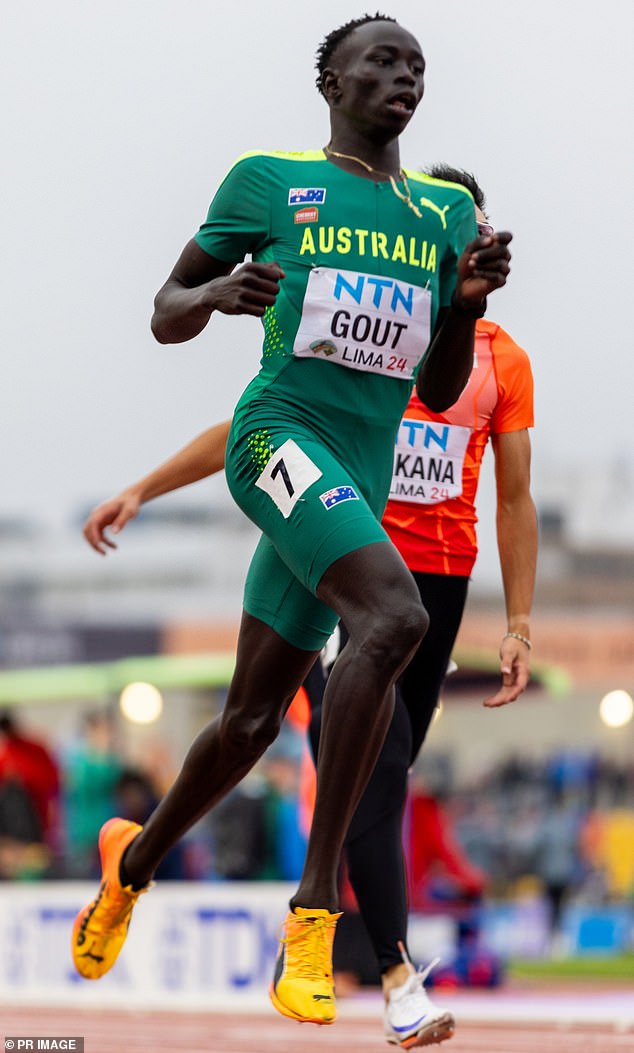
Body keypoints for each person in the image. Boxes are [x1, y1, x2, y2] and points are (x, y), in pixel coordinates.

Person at [72, 13, 512, 1042]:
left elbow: (440, 387)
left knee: (250, 723)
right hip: (277, 437)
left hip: (353, 471)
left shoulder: (443, 211)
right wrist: (219, 292)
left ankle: (127, 869)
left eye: (415, 66)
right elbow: (164, 308)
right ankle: (313, 915)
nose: (401, 77)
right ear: (330, 82)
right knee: (392, 619)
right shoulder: (266, 182)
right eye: (380, 61)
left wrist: (461, 303)